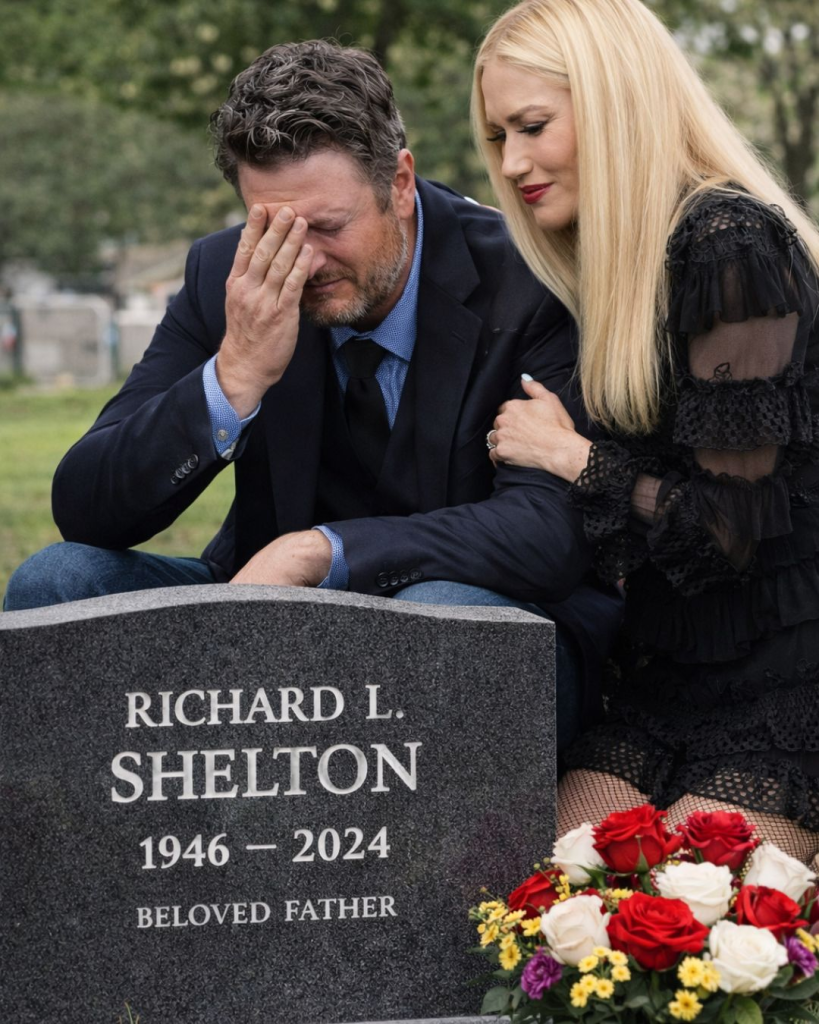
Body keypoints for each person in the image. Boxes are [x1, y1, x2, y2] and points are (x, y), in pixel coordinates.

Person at [4, 39, 622, 753]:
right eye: (275, 230)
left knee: (439, 615)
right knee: (58, 582)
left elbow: (547, 533)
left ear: (399, 183)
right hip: (270, 626)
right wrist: (234, 375)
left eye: (328, 227)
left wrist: (320, 553)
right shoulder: (224, 275)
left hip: (483, 618)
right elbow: (87, 507)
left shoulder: (529, 273)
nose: (304, 262)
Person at [474, 0, 819, 864]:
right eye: (497, 137)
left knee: (684, 910)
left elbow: (729, 530)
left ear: (613, 102)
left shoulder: (729, 243)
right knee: (549, 884)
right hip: (666, 681)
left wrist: (570, 457)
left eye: (532, 127)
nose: (511, 163)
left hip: (791, 683)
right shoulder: (622, 255)